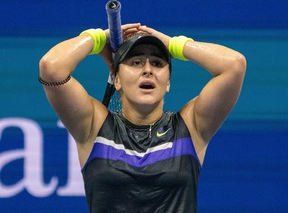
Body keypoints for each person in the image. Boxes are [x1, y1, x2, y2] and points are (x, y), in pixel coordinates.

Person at [39, 23, 246, 212]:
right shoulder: (94, 126)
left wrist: (172, 44)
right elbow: (51, 67)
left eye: (157, 63)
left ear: (168, 83)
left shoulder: (191, 126)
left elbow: (234, 65)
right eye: (136, 62)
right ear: (117, 80)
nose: (147, 70)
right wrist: (99, 38)